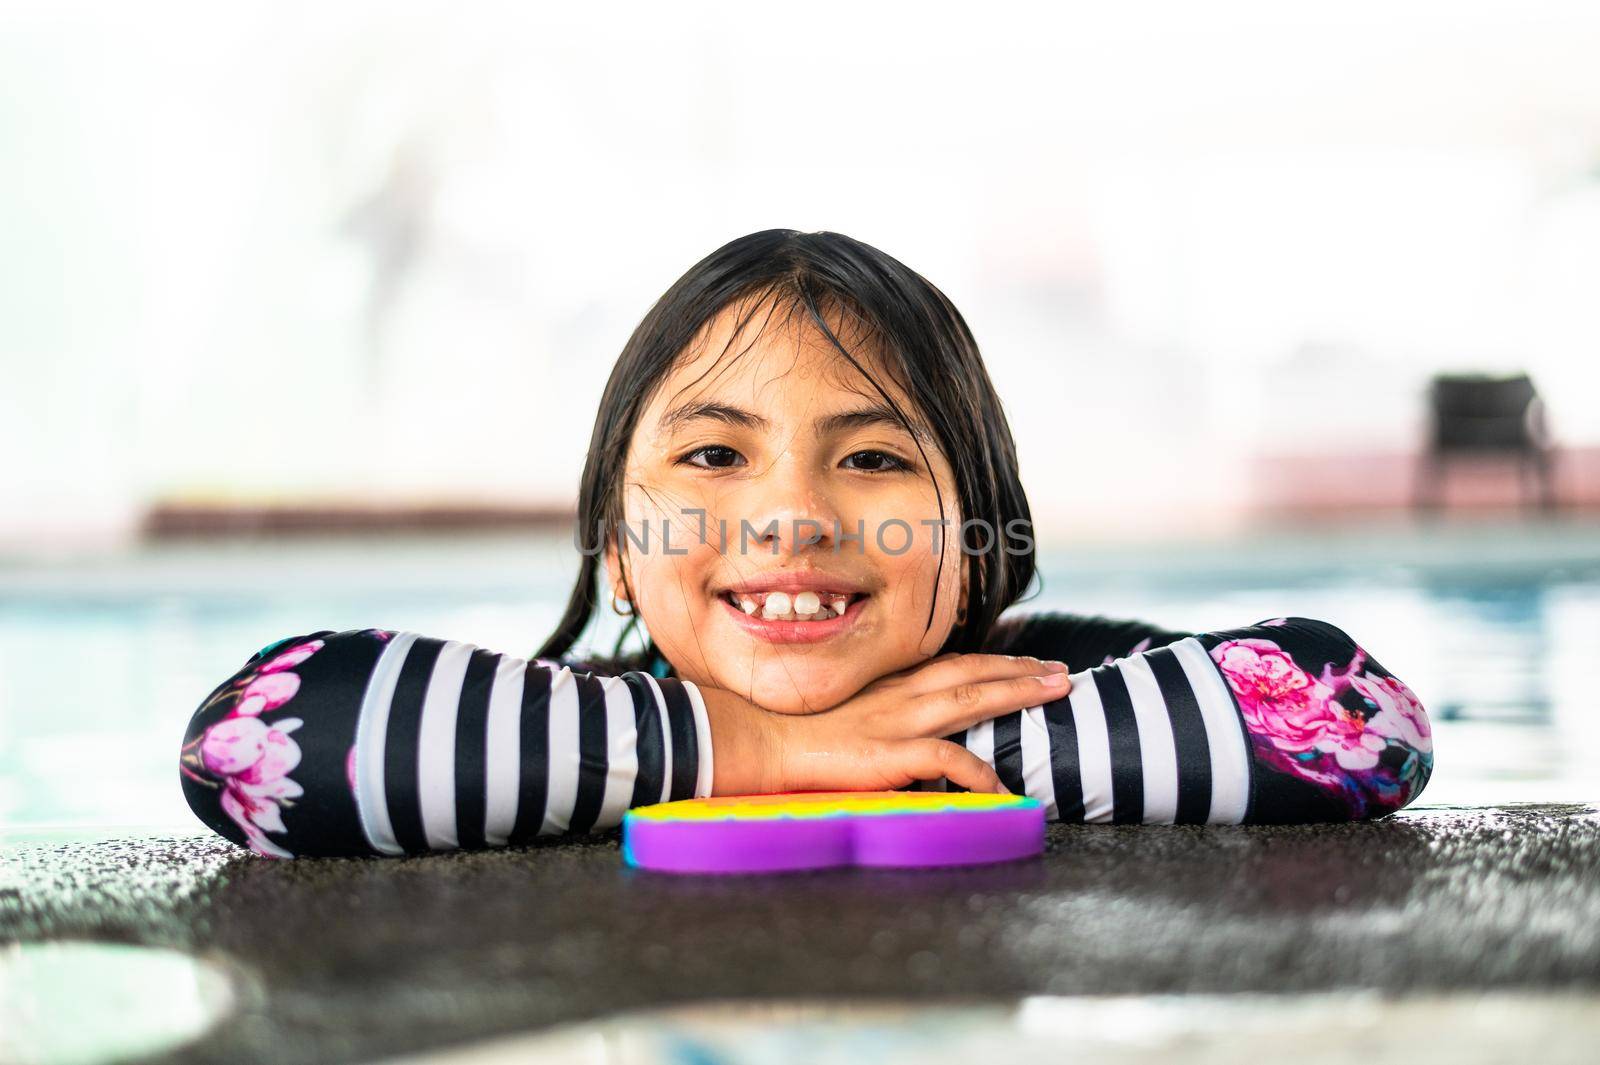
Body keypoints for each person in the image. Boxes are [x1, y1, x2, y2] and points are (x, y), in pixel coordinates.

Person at [178, 230, 1434, 859]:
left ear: (978, 542)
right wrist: (763, 747)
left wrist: (942, 748)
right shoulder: (555, 717)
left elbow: (1356, 722)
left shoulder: (1043, 674)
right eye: (715, 457)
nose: (793, 518)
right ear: (619, 552)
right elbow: (255, 744)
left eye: (875, 457)